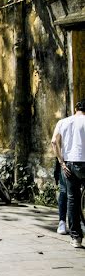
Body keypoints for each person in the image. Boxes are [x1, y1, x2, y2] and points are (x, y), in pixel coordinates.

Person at [51, 99, 85, 248]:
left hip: (69, 164)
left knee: (72, 199)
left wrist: (61, 162)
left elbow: (54, 141)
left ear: (76, 108)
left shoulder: (63, 122)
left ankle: (76, 238)